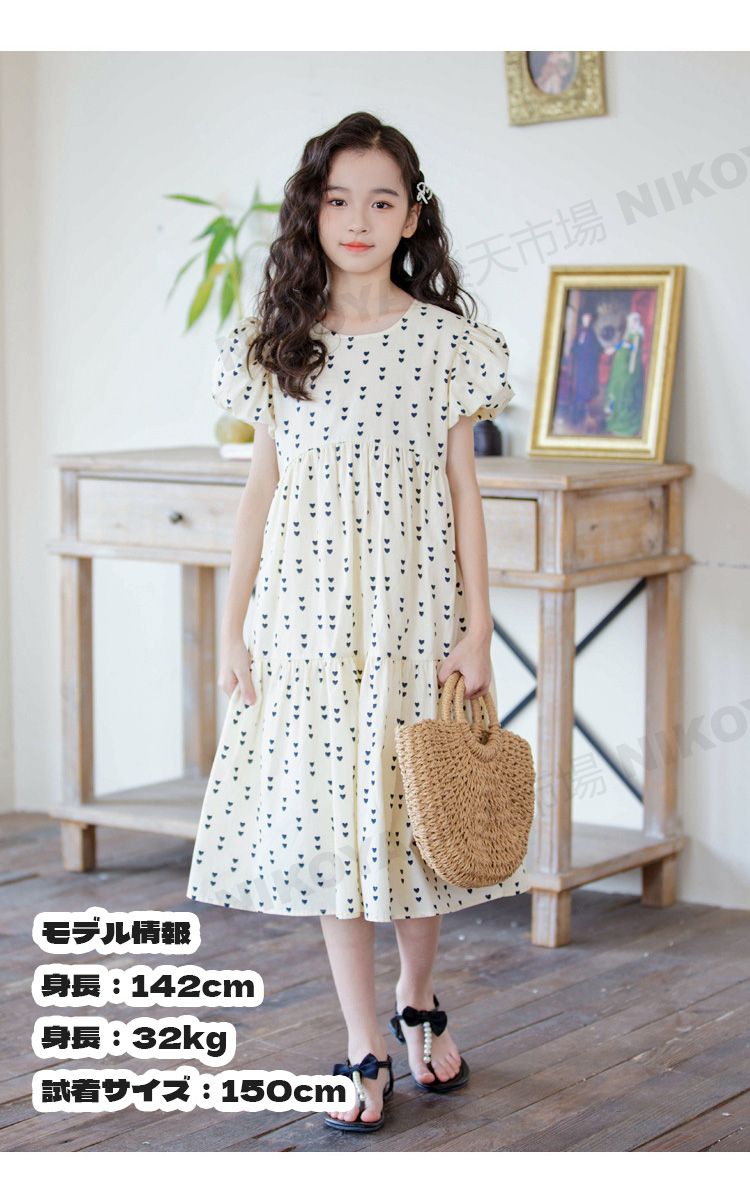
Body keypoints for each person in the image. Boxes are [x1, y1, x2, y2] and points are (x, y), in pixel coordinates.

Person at [186, 110, 530, 1133]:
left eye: (382, 201)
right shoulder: (278, 346)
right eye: (339, 199)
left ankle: (418, 1002)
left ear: (412, 217)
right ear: (313, 210)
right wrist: (234, 626)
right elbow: (260, 493)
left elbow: (466, 494)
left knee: (418, 814)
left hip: (418, 617)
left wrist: (478, 630)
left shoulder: (447, 344)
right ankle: (360, 1041)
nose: (359, 219)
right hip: (306, 622)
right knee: (334, 825)